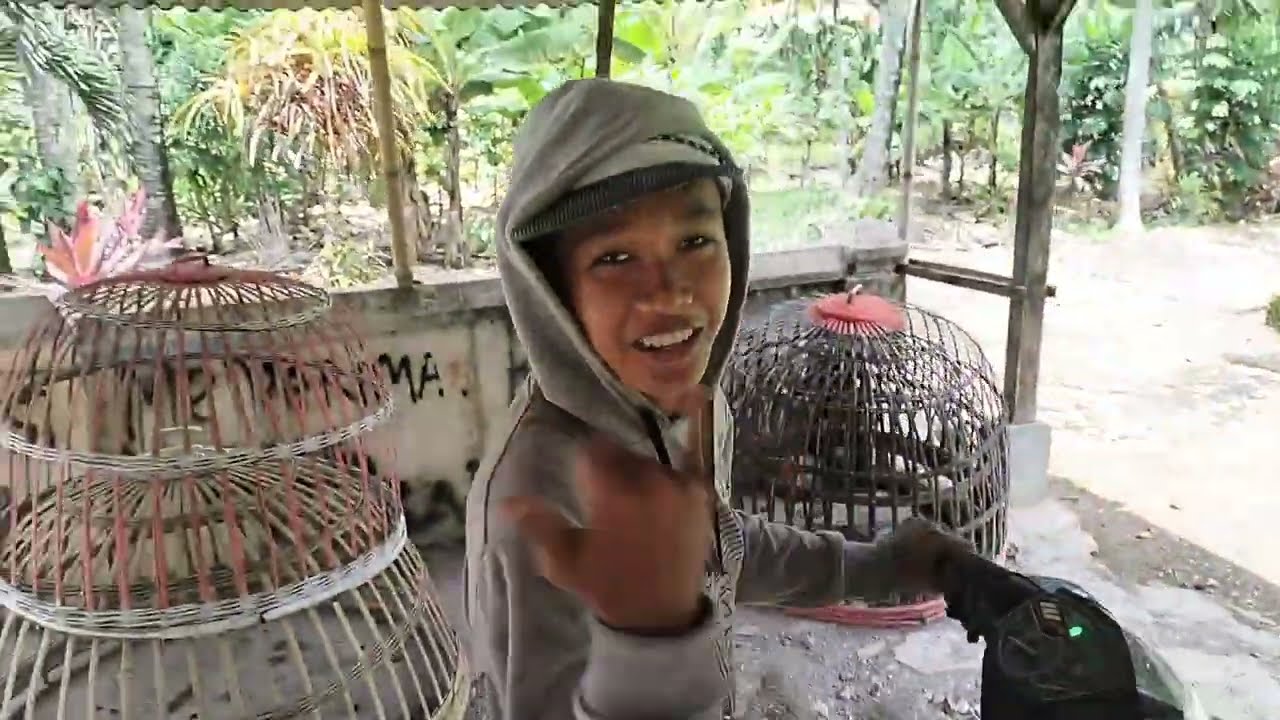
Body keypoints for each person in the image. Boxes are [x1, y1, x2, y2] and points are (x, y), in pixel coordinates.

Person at [463, 78, 974, 720]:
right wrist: (650, 637)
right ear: (552, 295)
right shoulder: (534, 503)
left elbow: (716, 548)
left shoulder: (692, 409)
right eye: (616, 257)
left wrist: (875, 566)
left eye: (695, 242)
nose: (670, 292)